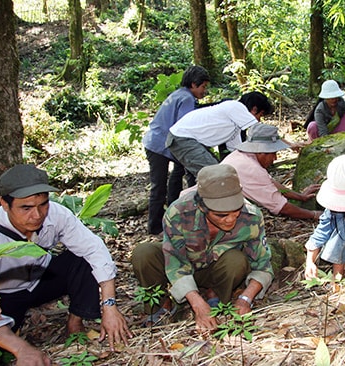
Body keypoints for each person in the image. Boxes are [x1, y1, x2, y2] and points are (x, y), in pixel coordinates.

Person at [0, 164, 131, 365]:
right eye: (26, 208)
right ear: (5, 205)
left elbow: (94, 249)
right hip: (6, 296)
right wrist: (23, 349)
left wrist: (109, 306)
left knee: (82, 259)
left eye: (43, 204)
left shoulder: (56, 214)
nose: (37, 215)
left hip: (42, 280)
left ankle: (75, 323)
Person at [131, 164, 273, 331]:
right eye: (221, 215)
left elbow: (263, 266)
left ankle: (218, 297)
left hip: (217, 270)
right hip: (183, 266)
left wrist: (245, 299)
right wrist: (197, 304)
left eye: (236, 212)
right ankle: (163, 305)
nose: (230, 220)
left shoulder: (251, 216)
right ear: (202, 207)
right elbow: (176, 264)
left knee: (236, 261)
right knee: (143, 253)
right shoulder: (178, 212)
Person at [143, 65, 210, 235]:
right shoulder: (187, 99)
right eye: (203, 87)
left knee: (177, 172)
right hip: (160, 144)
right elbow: (185, 126)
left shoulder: (180, 94)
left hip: (158, 141)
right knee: (159, 185)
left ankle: (171, 215)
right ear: (194, 84)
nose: (204, 91)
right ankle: (156, 226)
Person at [220, 123, 322, 220]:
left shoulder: (240, 155)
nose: (275, 158)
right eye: (273, 153)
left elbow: (270, 183)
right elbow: (283, 208)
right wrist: (313, 214)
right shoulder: (252, 169)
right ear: (262, 152)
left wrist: (300, 197)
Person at [166, 91, 274, 177]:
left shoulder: (234, 127)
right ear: (254, 109)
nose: (259, 120)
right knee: (215, 174)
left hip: (187, 139)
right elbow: (259, 130)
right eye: (260, 115)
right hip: (182, 138)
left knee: (219, 172)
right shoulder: (236, 106)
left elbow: (237, 152)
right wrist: (287, 144)